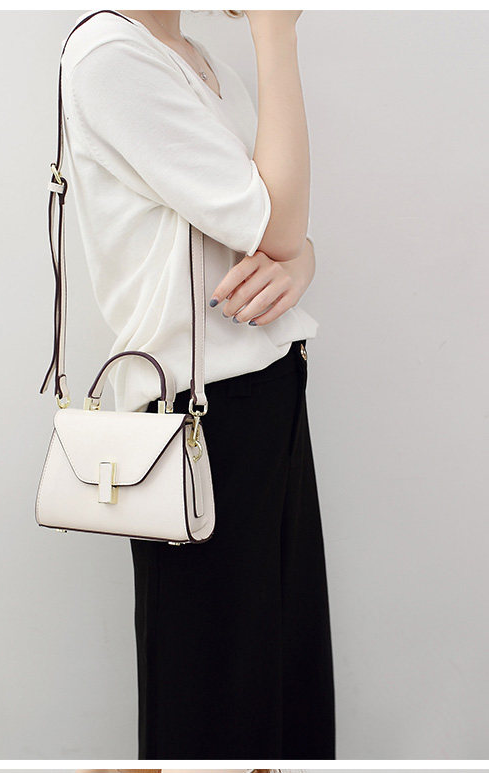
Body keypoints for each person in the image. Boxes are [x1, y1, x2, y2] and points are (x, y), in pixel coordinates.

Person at [58, 9, 334, 759]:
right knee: (213, 700)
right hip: (194, 420)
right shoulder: (110, 55)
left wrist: (301, 261)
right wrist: (276, 31)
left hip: (270, 389)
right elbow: (276, 226)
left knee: (283, 685)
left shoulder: (197, 57)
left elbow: (280, 229)